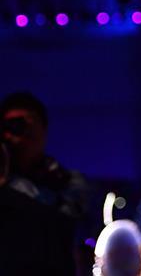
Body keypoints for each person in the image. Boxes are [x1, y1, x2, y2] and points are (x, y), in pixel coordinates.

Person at [0, 91, 90, 274]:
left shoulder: (67, 181)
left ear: (42, 128)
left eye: (19, 125)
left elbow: (63, 223)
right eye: (5, 128)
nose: (9, 136)